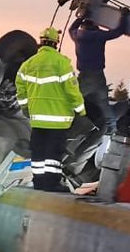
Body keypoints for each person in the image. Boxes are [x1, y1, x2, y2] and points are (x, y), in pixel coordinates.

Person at [16, 27, 86, 192]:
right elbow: (72, 90)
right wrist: (81, 110)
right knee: (53, 155)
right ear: (56, 43)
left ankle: (39, 182)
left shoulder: (28, 64)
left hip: (38, 120)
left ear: (41, 42)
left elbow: (21, 89)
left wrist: (25, 107)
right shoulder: (61, 63)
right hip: (58, 121)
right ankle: (52, 183)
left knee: (38, 153)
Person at [68, 13, 126, 135]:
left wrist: (80, 17)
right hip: (99, 76)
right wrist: (123, 16)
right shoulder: (99, 36)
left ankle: (67, 126)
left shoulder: (78, 35)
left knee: (73, 100)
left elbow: (71, 29)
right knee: (103, 103)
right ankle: (112, 128)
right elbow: (118, 32)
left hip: (85, 76)